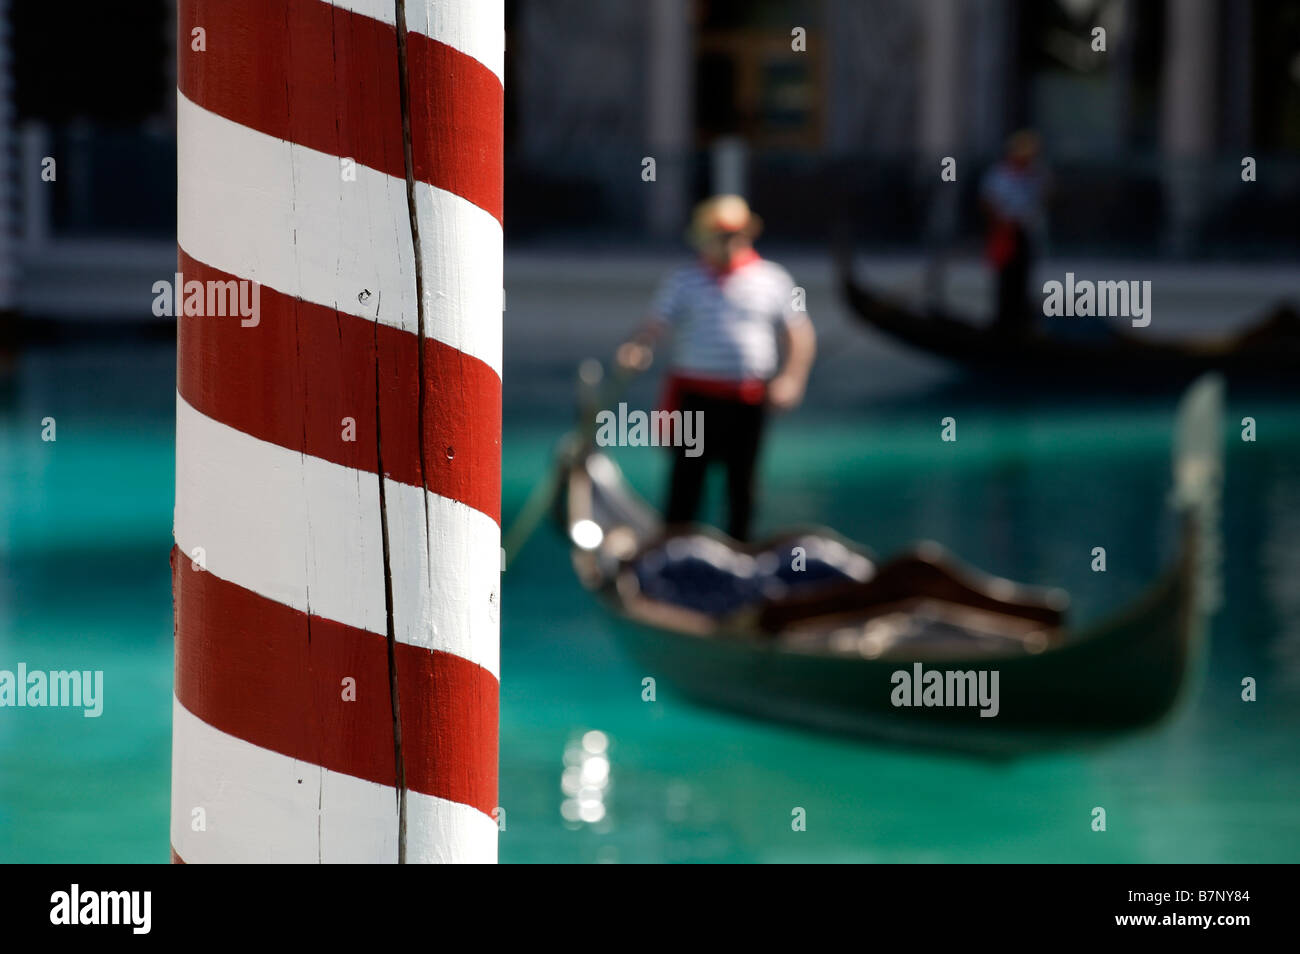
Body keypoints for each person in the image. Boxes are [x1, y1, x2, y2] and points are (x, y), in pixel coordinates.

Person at [616, 195, 816, 542]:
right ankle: (674, 554)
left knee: (743, 488)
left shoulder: (774, 279)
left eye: (737, 233)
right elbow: (653, 326)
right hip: (695, 399)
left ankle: (740, 559)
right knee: (685, 485)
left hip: (748, 401)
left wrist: (791, 379)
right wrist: (636, 348)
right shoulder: (683, 280)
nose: (731, 242)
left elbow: (800, 333)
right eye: (722, 234)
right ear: (705, 238)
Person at [980, 130, 1049, 337]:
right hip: (1006, 233)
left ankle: (1020, 321)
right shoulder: (999, 175)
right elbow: (988, 202)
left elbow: (1041, 200)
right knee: (1006, 278)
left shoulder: (1035, 176)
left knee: (1023, 275)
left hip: (1025, 231)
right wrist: (1002, 222)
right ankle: (1004, 321)